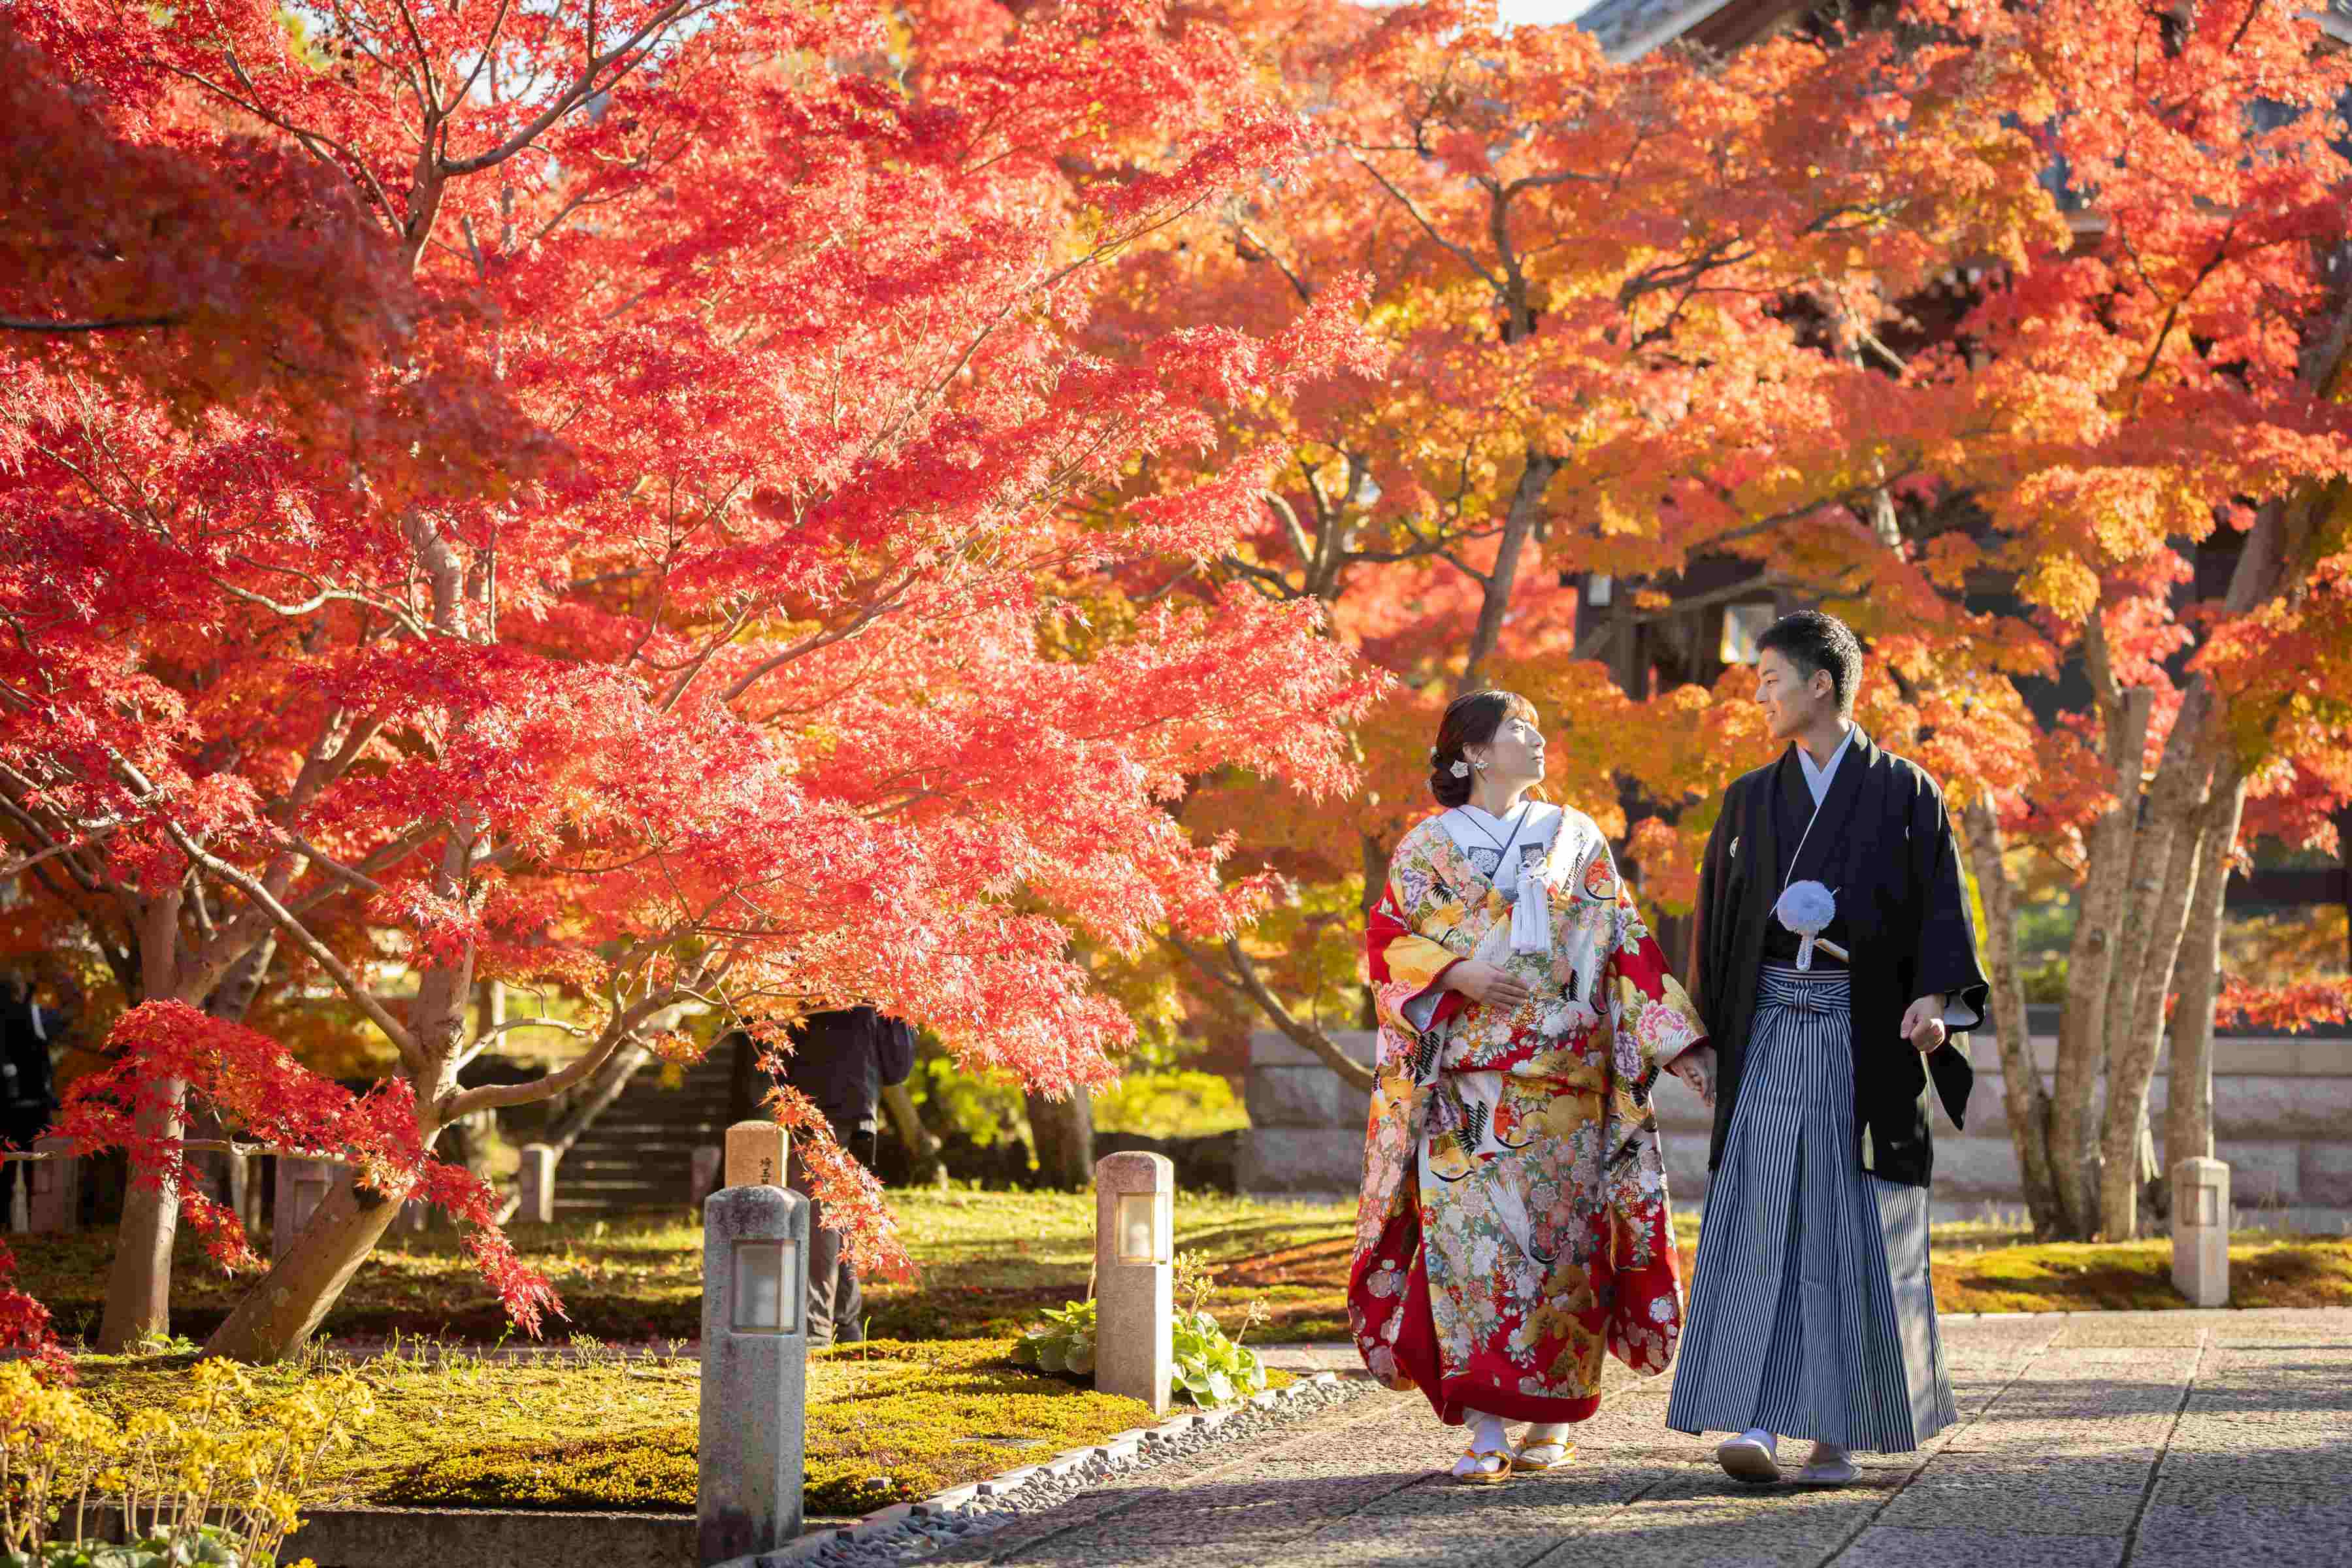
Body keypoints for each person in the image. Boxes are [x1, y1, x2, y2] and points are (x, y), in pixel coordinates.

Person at [1350, 689, 1715, 1484]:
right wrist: (1458, 972)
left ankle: (1553, 1422)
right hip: (1467, 1091)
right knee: (1474, 1258)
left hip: (1566, 1093)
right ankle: (1484, 1426)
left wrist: (1678, 1042)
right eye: (1519, 728)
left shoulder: (1577, 838)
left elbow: (1624, 942)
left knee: (1563, 1256)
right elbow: (1386, 945)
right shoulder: (1425, 847)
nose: (1538, 738)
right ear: (1473, 751)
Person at [1665, 610, 1987, 1486]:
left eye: (1771, 679)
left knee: (1848, 1221)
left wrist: (1935, 1000)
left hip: (1864, 1035)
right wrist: (1696, 1038)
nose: (1760, 695)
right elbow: (1715, 929)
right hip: (1770, 1024)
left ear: (1820, 684)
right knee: (1762, 1213)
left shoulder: (1907, 792)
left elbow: (1940, 913)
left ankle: (1836, 1433)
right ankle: (1760, 1419)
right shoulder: (1748, 801)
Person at [761, 1005, 915, 1345]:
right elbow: (897, 1067)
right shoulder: (875, 979)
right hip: (851, 1106)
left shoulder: (818, 972)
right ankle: (845, 1324)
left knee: (819, 1211)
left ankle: (816, 1327)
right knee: (834, 1211)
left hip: (822, 1104)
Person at [0, 975, 63, 1224]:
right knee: (37, 1173)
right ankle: (37, 1232)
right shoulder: (35, 1016)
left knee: (4, 1173)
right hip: (34, 1107)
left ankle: (4, 1231)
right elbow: (68, 1015)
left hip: (4, 1111)